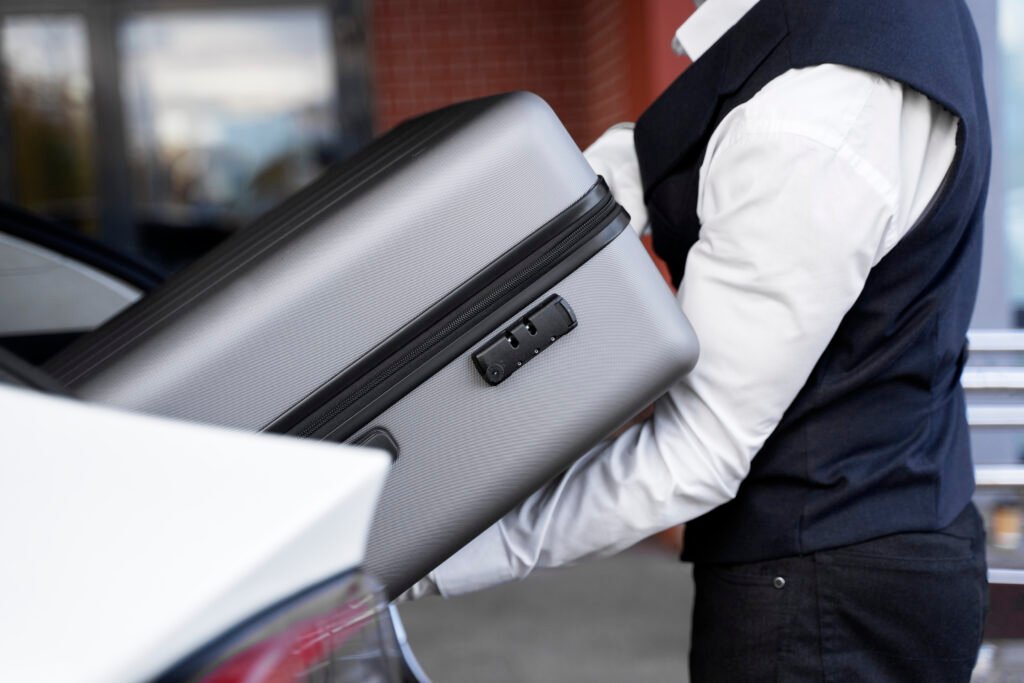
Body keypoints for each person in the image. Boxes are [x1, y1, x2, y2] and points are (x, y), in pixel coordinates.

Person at [407, 0, 991, 680]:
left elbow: (696, 452)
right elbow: (688, 151)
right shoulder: (832, 44)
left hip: (826, 604)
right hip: (870, 550)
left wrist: (423, 556)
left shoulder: (813, 115)